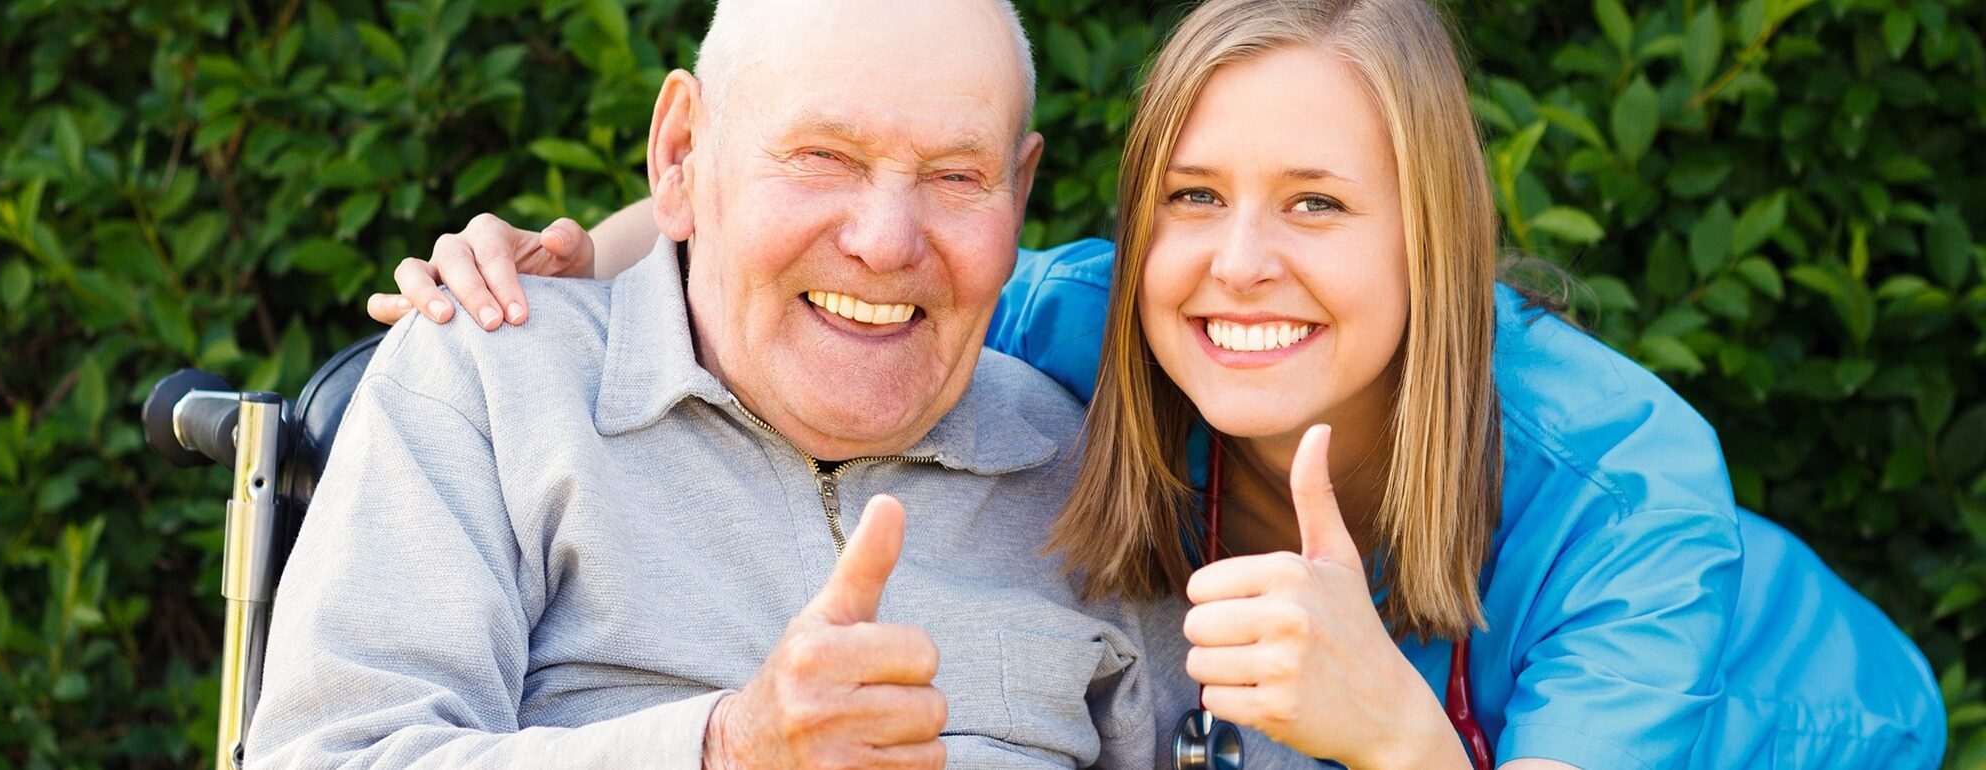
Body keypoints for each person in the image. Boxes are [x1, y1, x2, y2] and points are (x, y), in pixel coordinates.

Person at [374, 0, 1948, 767]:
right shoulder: (1090, 323)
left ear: (1440, 230)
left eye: (1319, 203)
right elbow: (870, 233)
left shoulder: (1624, 485)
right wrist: (600, 239)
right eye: (1193, 196)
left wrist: (1401, 742)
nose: (1237, 263)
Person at [247, 1, 1159, 768]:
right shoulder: (494, 379)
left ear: (1019, 188)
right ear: (682, 151)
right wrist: (724, 749)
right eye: (824, 156)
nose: (887, 241)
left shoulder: (1083, 459)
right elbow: (335, 754)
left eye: (957, 176)